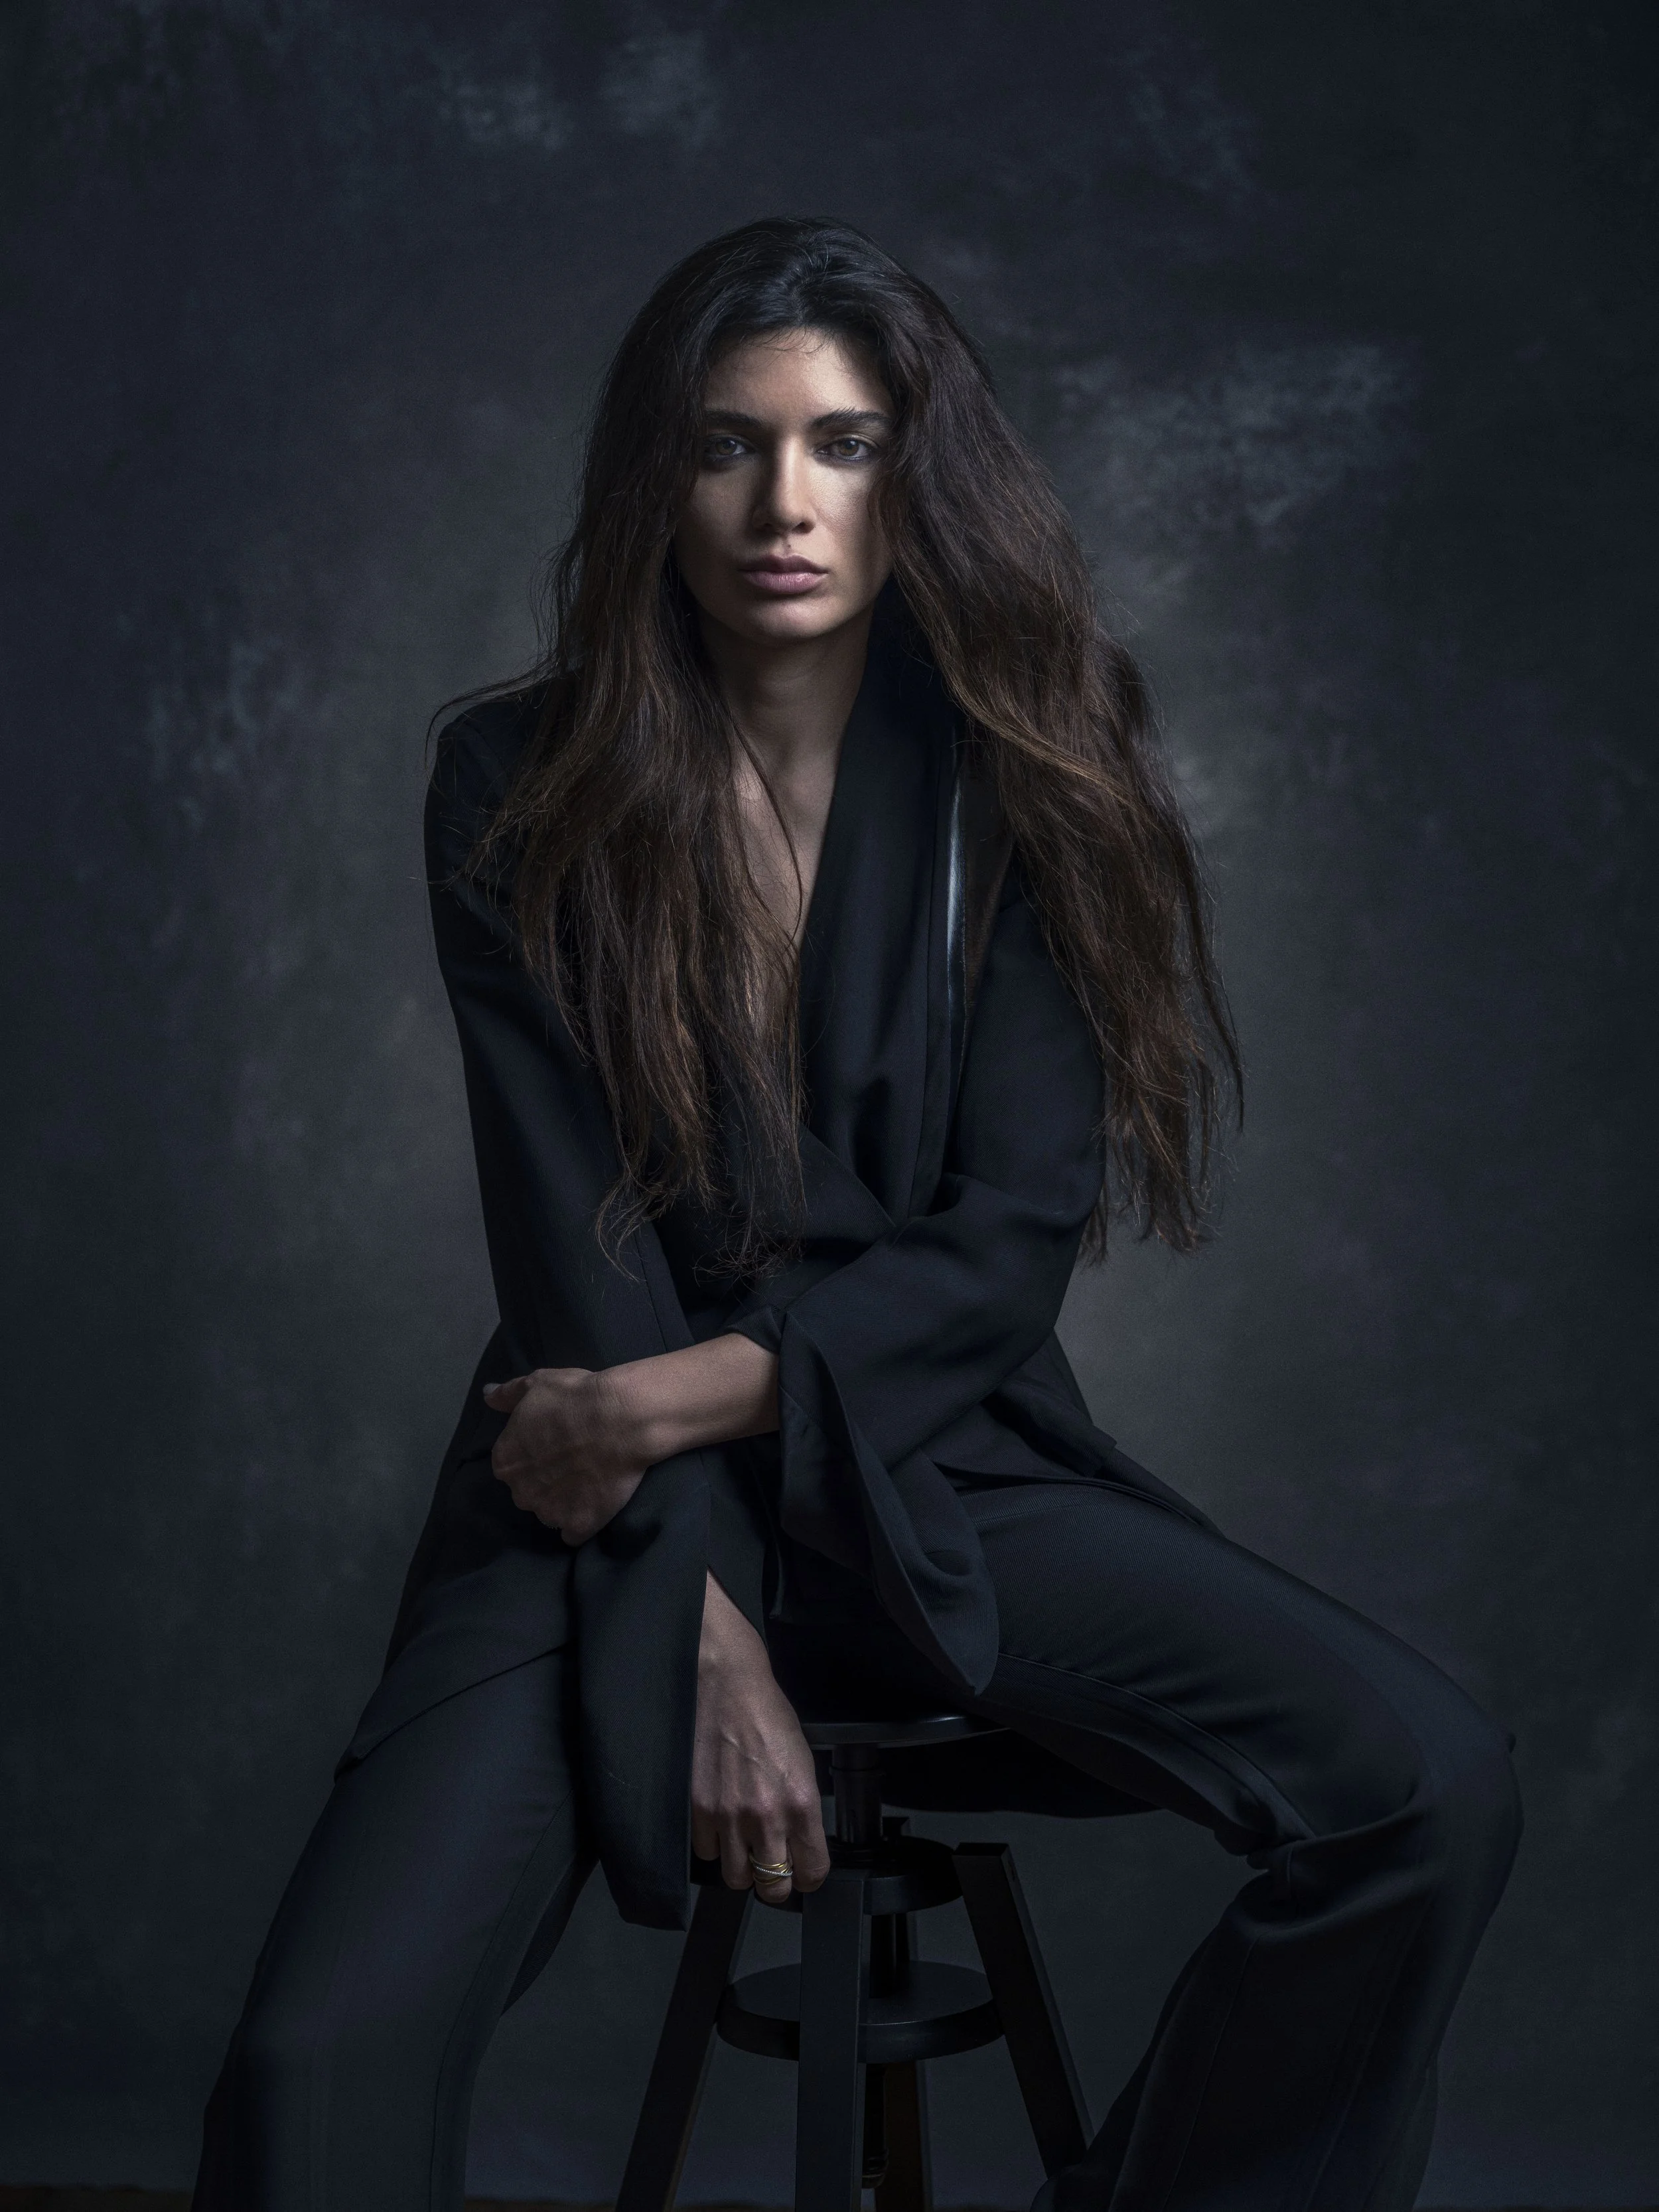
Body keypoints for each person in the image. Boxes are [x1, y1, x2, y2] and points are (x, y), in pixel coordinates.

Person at [193, 217, 1520, 2212]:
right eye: (728, 445)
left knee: (1428, 1786)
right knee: (323, 2049)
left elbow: (999, 1245)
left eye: (844, 443)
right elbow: (579, 1251)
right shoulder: (512, 777)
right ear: (659, 477)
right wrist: (698, 1608)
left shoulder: (1033, 771)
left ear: (921, 470)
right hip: (596, 1503)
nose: (782, 503)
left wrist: (652, 1413)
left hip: (933, 1466)